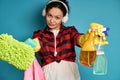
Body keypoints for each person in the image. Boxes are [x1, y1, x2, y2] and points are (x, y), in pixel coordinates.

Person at [32, 0, 84, 80]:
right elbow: (35, 46)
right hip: (48, 75)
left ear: (64, 18)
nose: (52, 21)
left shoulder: (70, 31)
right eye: (49, 15)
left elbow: (78, 38)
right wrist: (31, 45)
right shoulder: (39, 34)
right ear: (45, 13)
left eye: (57, 17)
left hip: (69, 74)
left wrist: (87, 38)